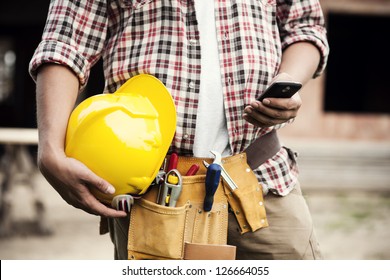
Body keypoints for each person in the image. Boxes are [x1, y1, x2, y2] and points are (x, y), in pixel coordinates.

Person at [29, 0, 329, 260]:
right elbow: (66, 43)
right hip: (150, 191)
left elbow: (305, 27)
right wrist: (50, 150)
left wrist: (290, 78)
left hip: (261, 177)